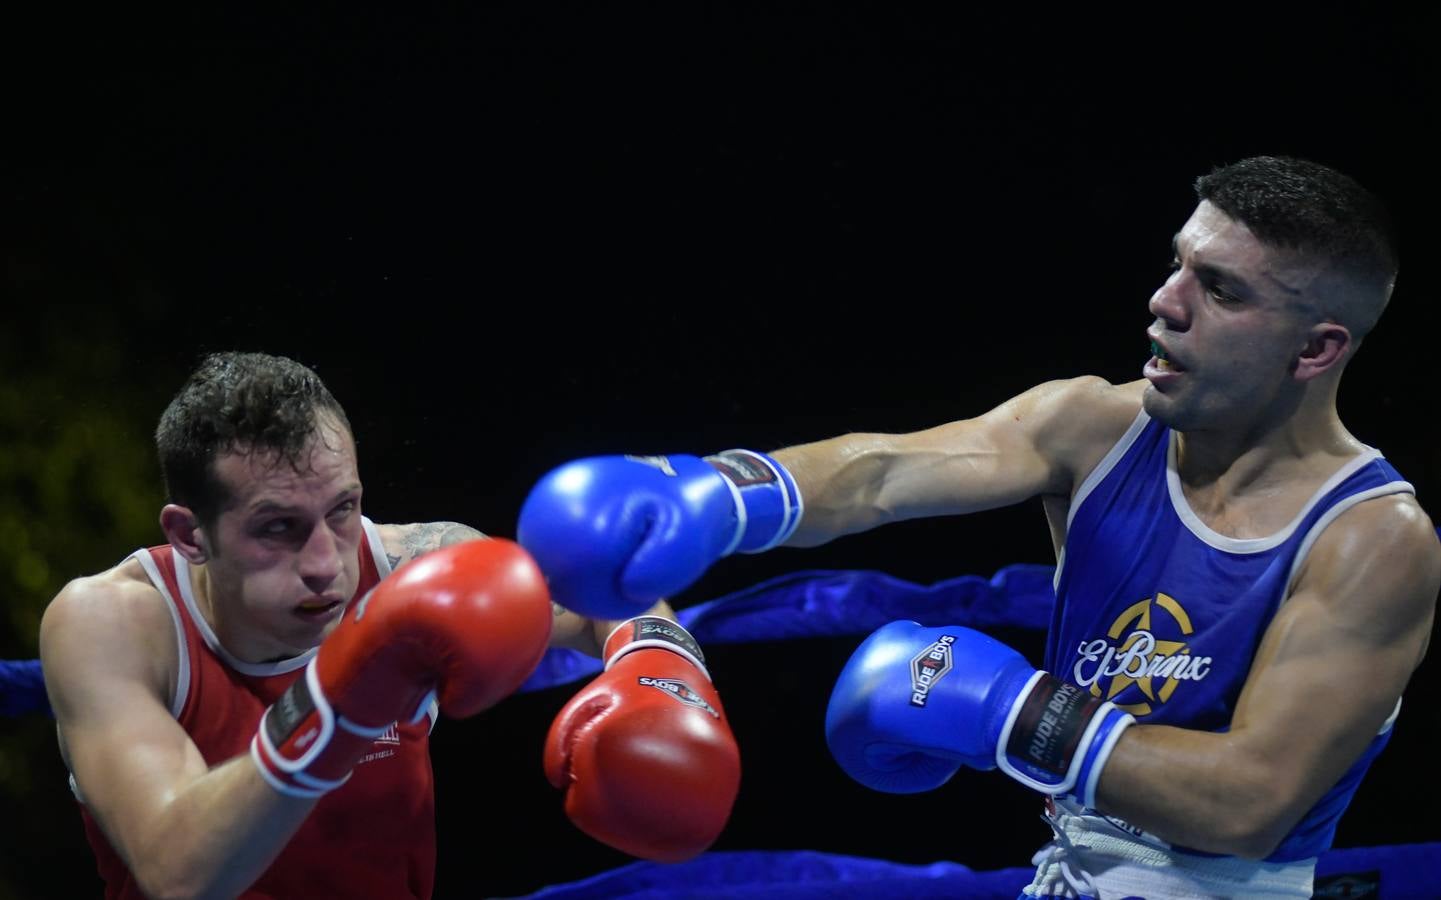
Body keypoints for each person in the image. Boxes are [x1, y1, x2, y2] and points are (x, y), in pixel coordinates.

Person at [517, 156, 1439, 898]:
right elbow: (884, 472)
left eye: (1221, 290)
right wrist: (714, 496)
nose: (1165, 301)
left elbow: (1248, 805)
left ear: (1316, 349)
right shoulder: (1095, 428)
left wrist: (1008, 710)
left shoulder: (1370, 538)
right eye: (1177, 263)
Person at [39, 352, 740, 900]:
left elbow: (607, 588)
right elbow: (178, 872)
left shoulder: (414, 563)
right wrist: (351, 687)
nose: (325, 565)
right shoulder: (115, 622)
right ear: (190, 535)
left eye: (341, 510)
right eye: (277, 528)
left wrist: (660, 668)